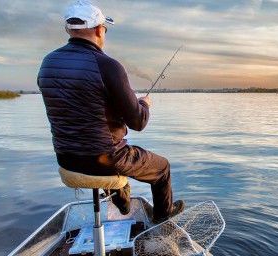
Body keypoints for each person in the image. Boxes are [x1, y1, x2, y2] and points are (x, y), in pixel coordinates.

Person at [37, 0, 183, 223]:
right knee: (162, 167)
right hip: (105, 159)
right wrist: (144, 104)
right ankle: (163, 219)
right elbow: (138, 122)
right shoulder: (107, 65)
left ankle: (122, 200)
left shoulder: (48, 63)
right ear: (99, 30)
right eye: (104, 29)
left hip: (66, 158)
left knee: (116, 154)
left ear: (69, 29)